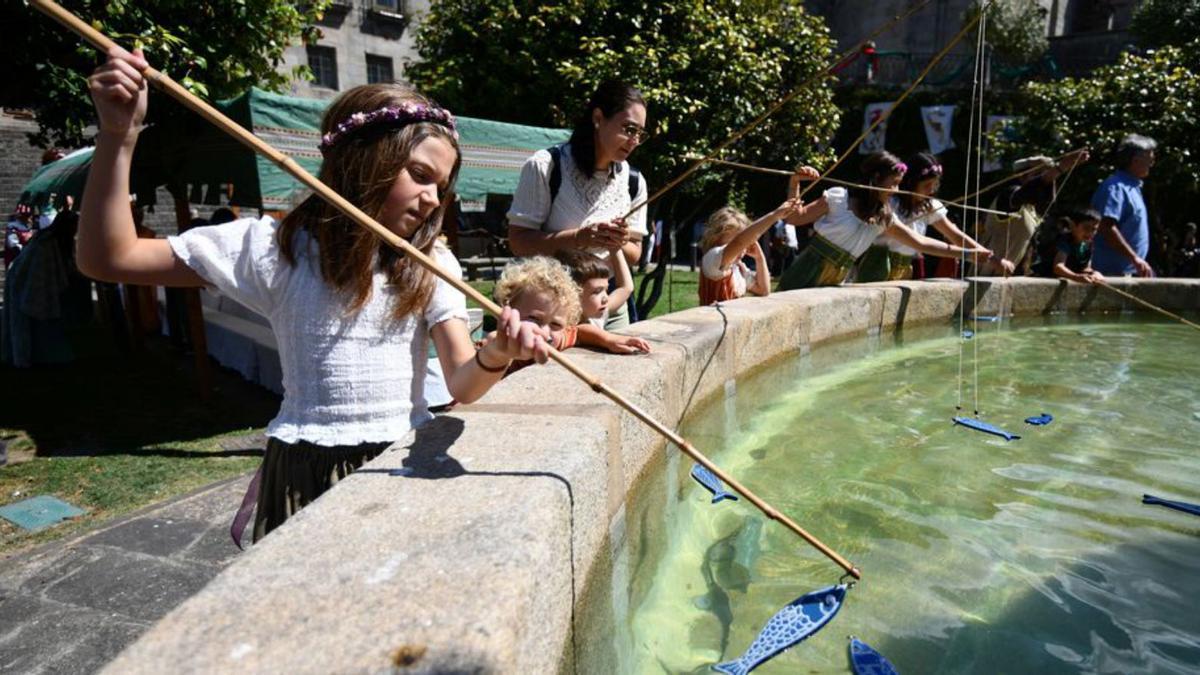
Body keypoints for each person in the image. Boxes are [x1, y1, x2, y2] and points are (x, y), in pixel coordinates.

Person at [81, 46, 551, 540]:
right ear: (362, 160)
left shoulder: (429, 263)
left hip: (400, 459)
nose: (434, 198)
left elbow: (461, 385)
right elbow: (107, 258)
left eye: (442, 185)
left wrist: (496, 354)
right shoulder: (275, 248)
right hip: (305, 467)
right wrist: (119, 136)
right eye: (419, 174)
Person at [507, 80, 650, 329]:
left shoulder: (634, 181)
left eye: (640, 133)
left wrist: (617, 241)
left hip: (610, 304)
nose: (635, 140)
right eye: (629, 129)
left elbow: (634, 254)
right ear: (598, 117)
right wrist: (581, 236)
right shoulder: (546, 166)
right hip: (552, 308)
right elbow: (519, 242)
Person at [778, 151, 991, 290]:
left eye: (899, 184)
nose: (896, 190)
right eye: (893, 184)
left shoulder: (884, 217)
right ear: (876, 180)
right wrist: (795, 182)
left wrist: (968, 254)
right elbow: (795, 218)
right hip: (805, 272)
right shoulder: (838, 197)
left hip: (835, 282)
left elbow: (921, 243)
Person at [857, 152, 1014, 282]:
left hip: (905, 271)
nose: (931, 190)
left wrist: (993, 259)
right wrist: (967, 254)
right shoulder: (889, 204)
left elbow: (955, 235)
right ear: (911, 182)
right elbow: (920, 243)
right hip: (876, 268)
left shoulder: (929, 206)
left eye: (934, 184)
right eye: (926, 185)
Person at [976, 149, 1090, 276]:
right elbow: (1029, 191)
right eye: (1040, 174)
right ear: (1022, 176)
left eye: (1051, 177)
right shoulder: (1008, 196)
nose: (1049, 181)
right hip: (988, 277)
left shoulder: (1035, 211)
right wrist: (1061, 167)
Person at [697, 184, 811, 304]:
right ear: (716, 238)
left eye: (746, 244)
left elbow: (764, 290)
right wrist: (774, 216)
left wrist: (759, 258)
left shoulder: (739, 268)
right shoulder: (712, 258)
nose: (742, 248)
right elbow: (739, 242)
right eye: (732, 242)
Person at [550, 251, 653, 353]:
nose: (606, 298)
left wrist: (615, 249)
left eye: (606, 290)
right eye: (597, 292)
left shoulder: (596, 314)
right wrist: (609, 339)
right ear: (570, 294)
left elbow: (626, 288)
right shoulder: (554, 326)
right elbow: (580, 331)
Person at [1091, 134, 1156, 277]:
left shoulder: (1132, 187)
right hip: (1111, 273)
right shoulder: (1115, 187)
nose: (1152, 164)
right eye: (1149, 160)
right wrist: (1134, 258)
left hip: (1130, 271)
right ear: (1135, 160)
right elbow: (1106, 226)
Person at [1051, 208, 1104, 284]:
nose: (1090, 233)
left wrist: (1093, 273)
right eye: (1086, 228)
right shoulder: (1065, 242)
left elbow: (1085, 268)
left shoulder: (1088, 244)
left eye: (1094, 229)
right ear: (1073, 225)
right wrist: (1075, 277)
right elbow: (1058, 267)